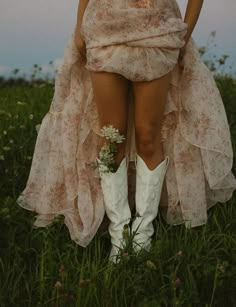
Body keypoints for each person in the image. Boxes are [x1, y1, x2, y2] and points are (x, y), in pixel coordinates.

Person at [17, 0, 236, 264]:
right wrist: (79, 27)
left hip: (157, 30)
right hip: (105, 27)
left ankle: (143, 232)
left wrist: (185, 32)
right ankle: (119, 234)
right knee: (112, 136)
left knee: (147, 135)